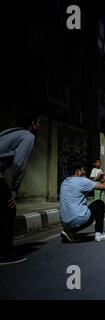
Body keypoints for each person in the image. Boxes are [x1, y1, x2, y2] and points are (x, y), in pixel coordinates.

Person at [0, 113, 40, 265]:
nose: (39, 126)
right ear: (33, 123)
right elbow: (19, 164)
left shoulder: (10, 132)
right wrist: (14, 190)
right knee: (8, 209)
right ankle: (4, 254)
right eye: (38, 122)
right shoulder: (28, 136)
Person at [59, 161, 105, 243]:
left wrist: (97, 178)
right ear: (77, 171)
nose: (84, 172)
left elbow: (90, 183)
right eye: (82, 170)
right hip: (79, 219)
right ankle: (99, 233)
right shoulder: (81, 181)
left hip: (64, 222)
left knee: (78, 213)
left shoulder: (64, 182)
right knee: (99, 203)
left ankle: (69, 231)